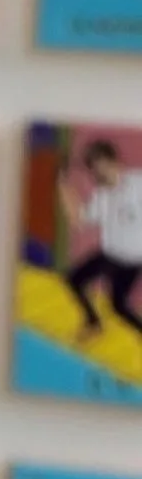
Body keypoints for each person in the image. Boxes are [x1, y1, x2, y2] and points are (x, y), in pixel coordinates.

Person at [66, 139, 142, 334]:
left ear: (115, 161)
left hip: (132, 258)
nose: (101, 172)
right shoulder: (101, 195)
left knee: (117, 306)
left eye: (104, 166)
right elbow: (79, 221)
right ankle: (93, 322)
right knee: (74, 279)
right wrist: (64, 187)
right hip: (109, 254)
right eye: (95, 169)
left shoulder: (137, 182)